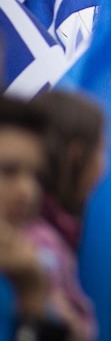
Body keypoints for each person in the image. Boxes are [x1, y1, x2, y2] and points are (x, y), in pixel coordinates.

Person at [26, 90, 106, 341]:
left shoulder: (63, 229)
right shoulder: (37, 244)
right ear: (76, 154)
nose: (105, 166)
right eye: (101, 152)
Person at [0, 95, 69, 340]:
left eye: (35, 175)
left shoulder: (27, 266)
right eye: (8, 171)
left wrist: (33, 298)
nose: (27, 191)